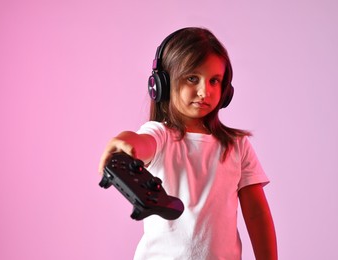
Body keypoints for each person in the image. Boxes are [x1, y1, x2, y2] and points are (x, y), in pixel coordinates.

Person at [98, 27, 277, 260]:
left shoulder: (237, 146)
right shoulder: (161, 135)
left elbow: (256, 214)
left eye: (215, 81)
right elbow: (142, 143)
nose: (205, 91)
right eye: (193, 78)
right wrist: (125, 139)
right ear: (161, 83)